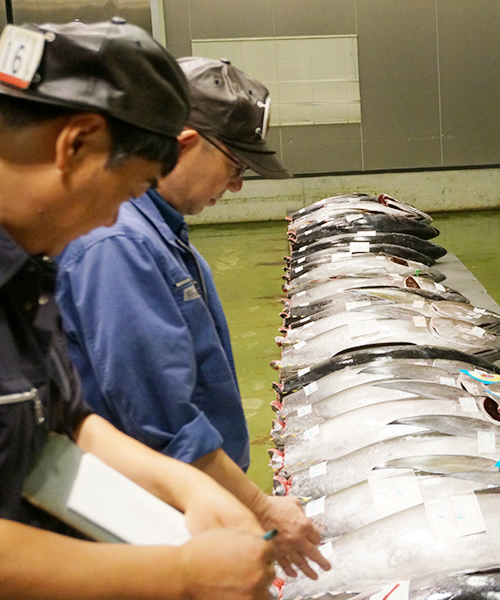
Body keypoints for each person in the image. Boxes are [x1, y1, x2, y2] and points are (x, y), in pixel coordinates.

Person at [0, 19, 277, 599]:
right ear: (74, 143)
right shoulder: (103, 244)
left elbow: (65, 422)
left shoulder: (25, 271)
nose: (110, 222)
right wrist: (179, 575)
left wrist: (188, 486)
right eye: (128, 192)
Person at [56, 56, 331, 578]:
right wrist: (263, 506)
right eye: (234, 166)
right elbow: (159, 421)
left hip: (189, 497)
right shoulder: (119, 243)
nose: (236, 187)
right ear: (184, 143)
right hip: (148, 510)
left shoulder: (160, 232)